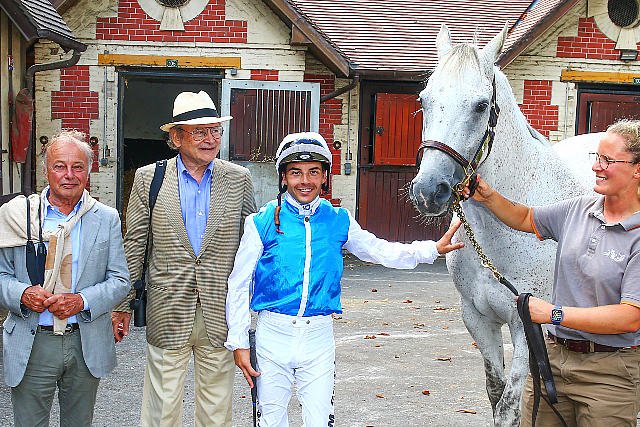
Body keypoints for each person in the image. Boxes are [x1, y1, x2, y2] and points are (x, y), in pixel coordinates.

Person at [225, 131, 464, 426]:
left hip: (318, 336)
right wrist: (239, 342)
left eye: (314, 172)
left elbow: (377, 250)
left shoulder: (338, 219)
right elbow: (238, 284)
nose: (305, 181)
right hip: (272, 334)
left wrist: (429, 250)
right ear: (283, 178)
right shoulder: (260, 221)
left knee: (319, 420)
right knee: (271, 421)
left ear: (325, 176)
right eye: (296, 172)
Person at [461, 119, 640, 426]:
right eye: (596, 157)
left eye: (608, 160)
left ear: (637, 170)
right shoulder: (579, 209)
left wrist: (553, 314)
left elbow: (630, 317)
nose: (596, 167)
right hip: (552, 361)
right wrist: (488, 196)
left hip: (611, 372)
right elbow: (526, 218)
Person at [111, 90, 256, 426]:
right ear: (176, 138)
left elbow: (251, 247)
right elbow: (135, 243)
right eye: (199, 132)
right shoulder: (148, 178)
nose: (210, 139)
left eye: (215, 130)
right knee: (161, 409)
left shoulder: (239, 179)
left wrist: (253, 305)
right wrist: (123, 304)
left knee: (216, 410)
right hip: (168, 307)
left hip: (220, 310)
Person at [0, 130, 130, 427]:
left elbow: (120, 279)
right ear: (46, 170)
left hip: (84, 342)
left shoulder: (106, 217)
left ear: (89, 171)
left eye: (77, 167)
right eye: (60, 166)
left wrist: (81, 301)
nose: (69, 175)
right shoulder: (19, 215)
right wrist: (22, 294)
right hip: (32, 341)